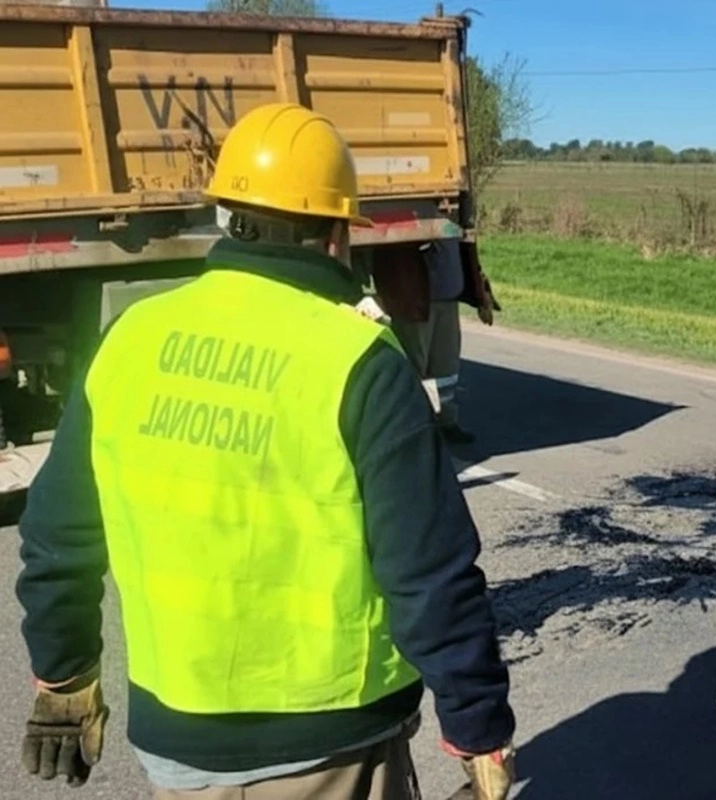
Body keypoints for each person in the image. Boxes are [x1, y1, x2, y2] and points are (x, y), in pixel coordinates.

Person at [13, 102, 516, 799]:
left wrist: (64, 678)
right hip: (334, 741)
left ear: (228, 216)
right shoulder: (360, 360)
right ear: (337, 234)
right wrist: (478, 727)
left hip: (178, 748)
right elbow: (430, 570)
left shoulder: (129, 338)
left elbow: (56, 537)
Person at [370, 237, 500, 446]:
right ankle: (409, 427)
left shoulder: (457, 221)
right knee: (414, 366)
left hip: (448, 299)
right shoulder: (416, 219)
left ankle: (446, 422)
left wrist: (481, 293)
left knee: (446, 369)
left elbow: (468, 250)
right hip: (414, 300)